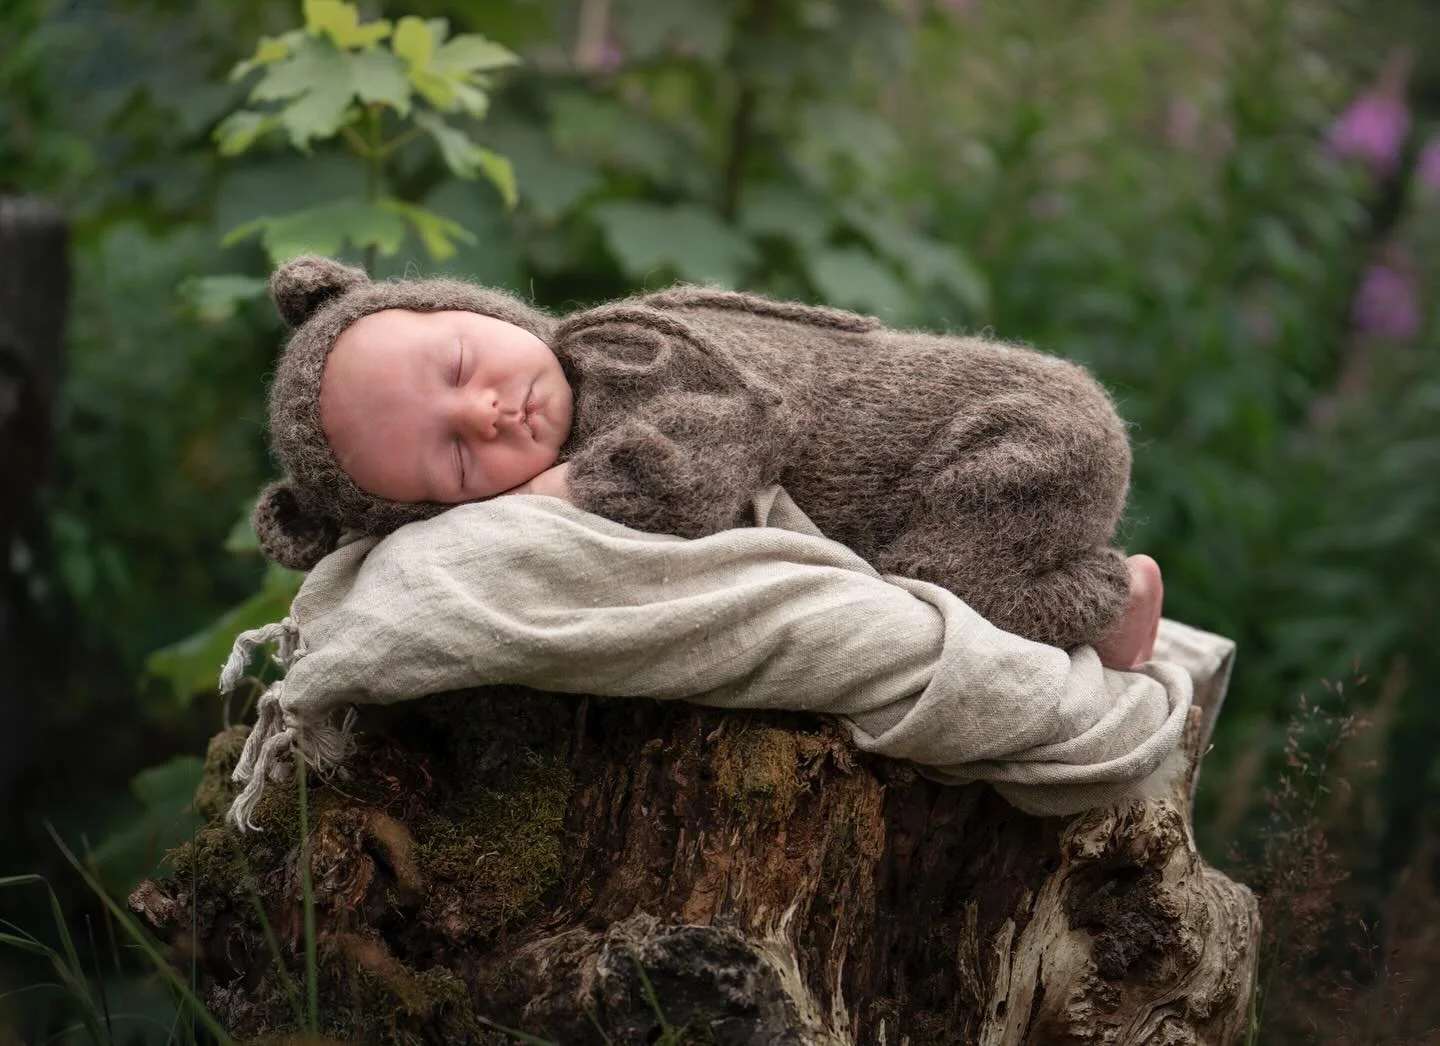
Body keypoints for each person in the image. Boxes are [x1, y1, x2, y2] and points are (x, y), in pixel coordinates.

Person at [254, 255, 1163, 668]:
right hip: (982, 448)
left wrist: (565, 489)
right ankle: (1083, 582)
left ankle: (1106, 598)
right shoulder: (593, 395)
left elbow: (719, 447)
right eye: (454, 457)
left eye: (459, 366)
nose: (486, 412)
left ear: (478, 308)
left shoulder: (629, 359)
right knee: (922, 583)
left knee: (934, 604)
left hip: (1014, 431)